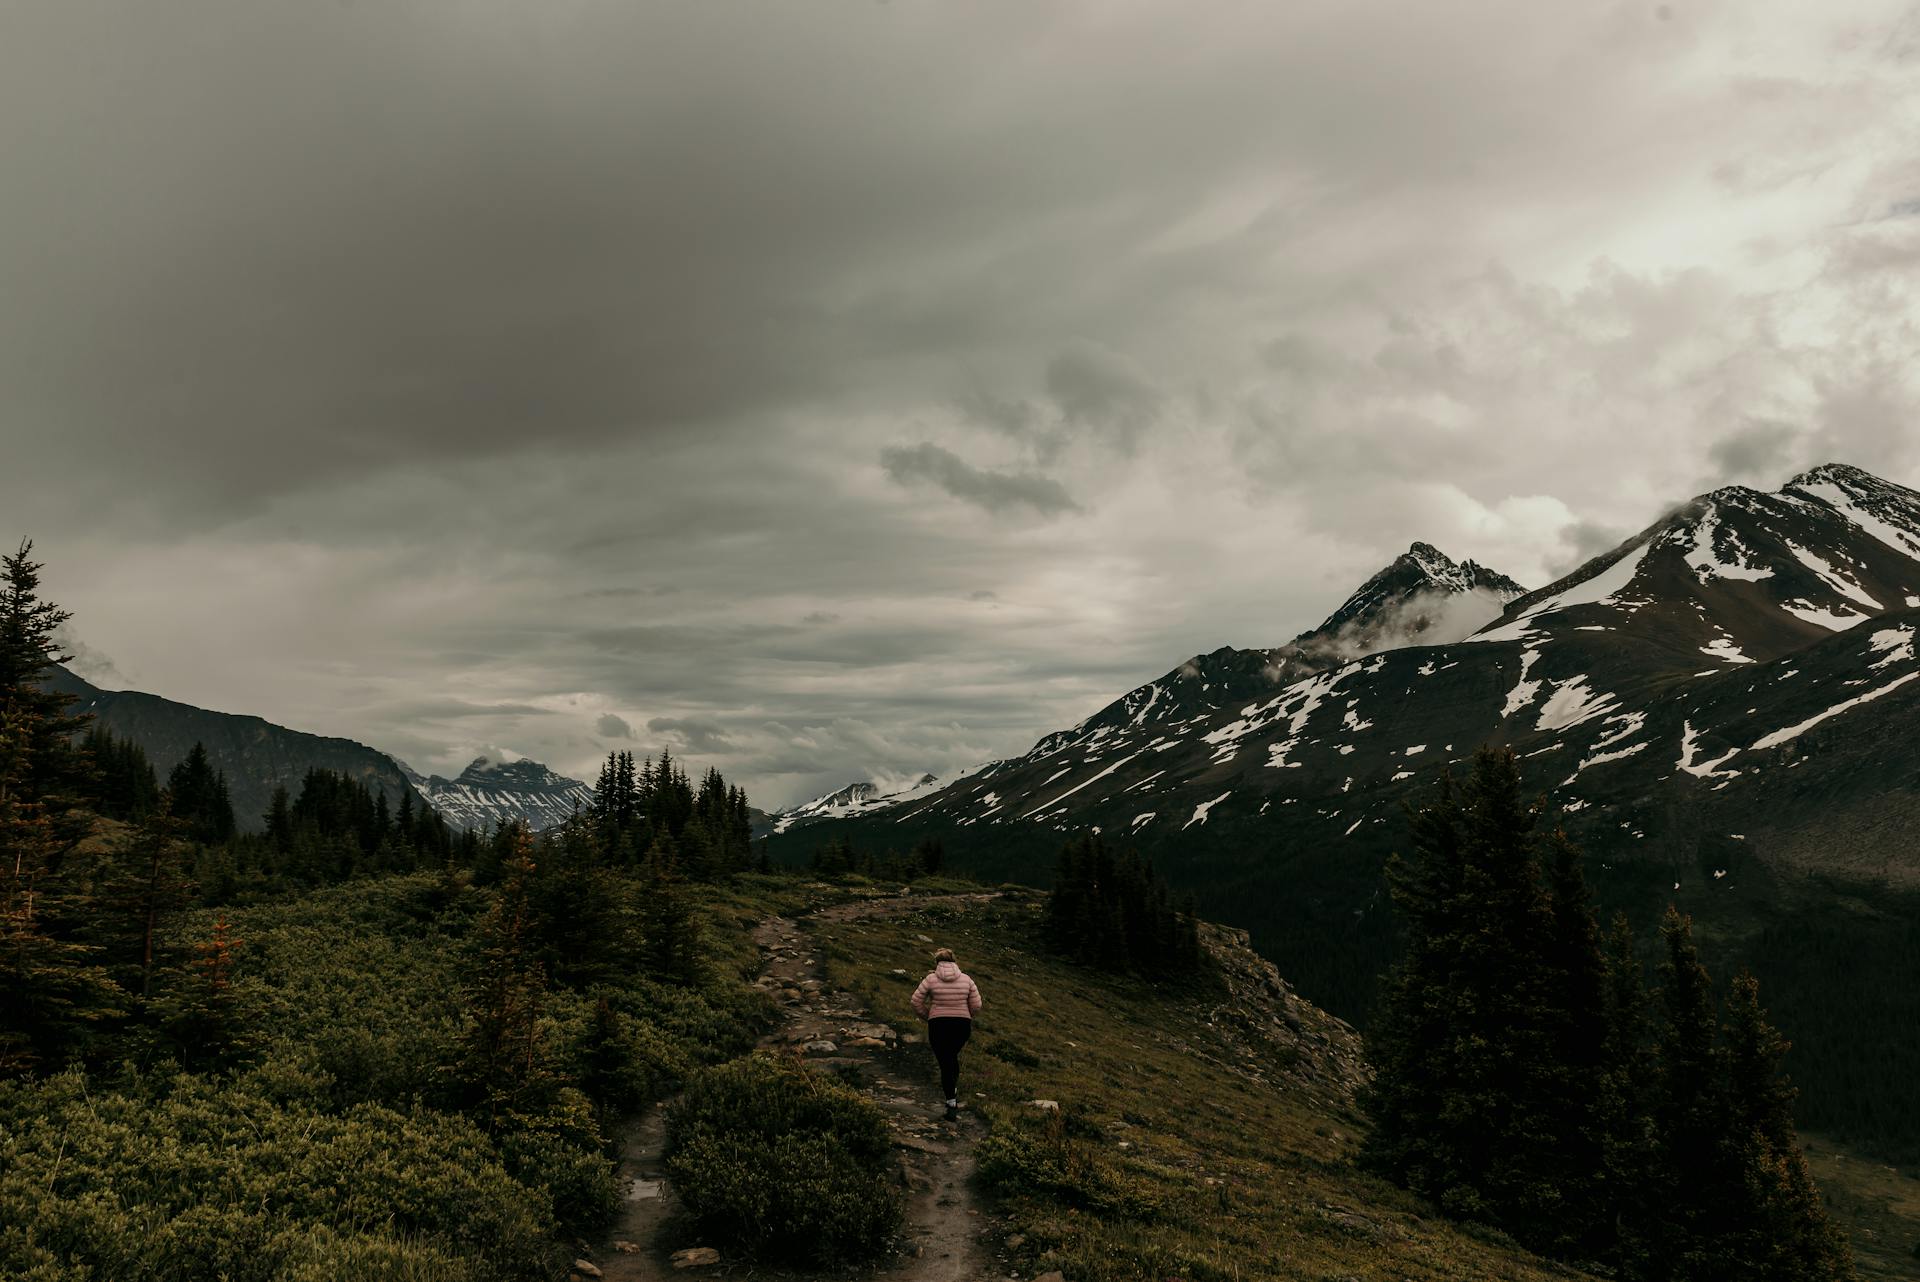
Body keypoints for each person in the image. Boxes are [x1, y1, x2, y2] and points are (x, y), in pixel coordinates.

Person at [909, 946, 981, 1121]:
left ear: (937, 962)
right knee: (951, 1057)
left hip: (938, 1025)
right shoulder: (966, 979)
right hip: (961, 1025)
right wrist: (966, 1015)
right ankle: (952, 1091)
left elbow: (915, 1001)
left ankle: (951, 1102)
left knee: (945, 1061)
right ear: (954, 960)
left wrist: (929, 1016)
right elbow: (977, 1005)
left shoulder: (931, 979)